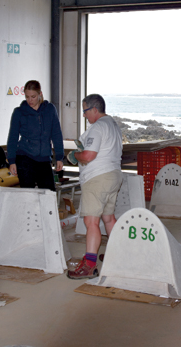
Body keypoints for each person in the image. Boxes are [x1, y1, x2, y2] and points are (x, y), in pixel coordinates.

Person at [66, 94, 123, 280]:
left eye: (85, 111)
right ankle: (117, 256)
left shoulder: (98, 127)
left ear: (94, 109)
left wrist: (76, 156)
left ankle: (89, 265)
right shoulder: (113, 125)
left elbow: (89, 155)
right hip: (113, 175)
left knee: (91, 222)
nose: (84, 115)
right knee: (108, 218)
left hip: (97, 178)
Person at [6, 80, 64, 190]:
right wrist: (12, 161)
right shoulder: (19, 112)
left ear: (40, 94)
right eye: (27, 97)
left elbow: (56, 134)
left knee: (49, 194)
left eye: (33, 96)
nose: (30, 100)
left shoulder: (50, 109)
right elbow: (13, 138)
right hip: (25, 158)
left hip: (44, 159)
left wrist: (59, 157)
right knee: (28, 196)